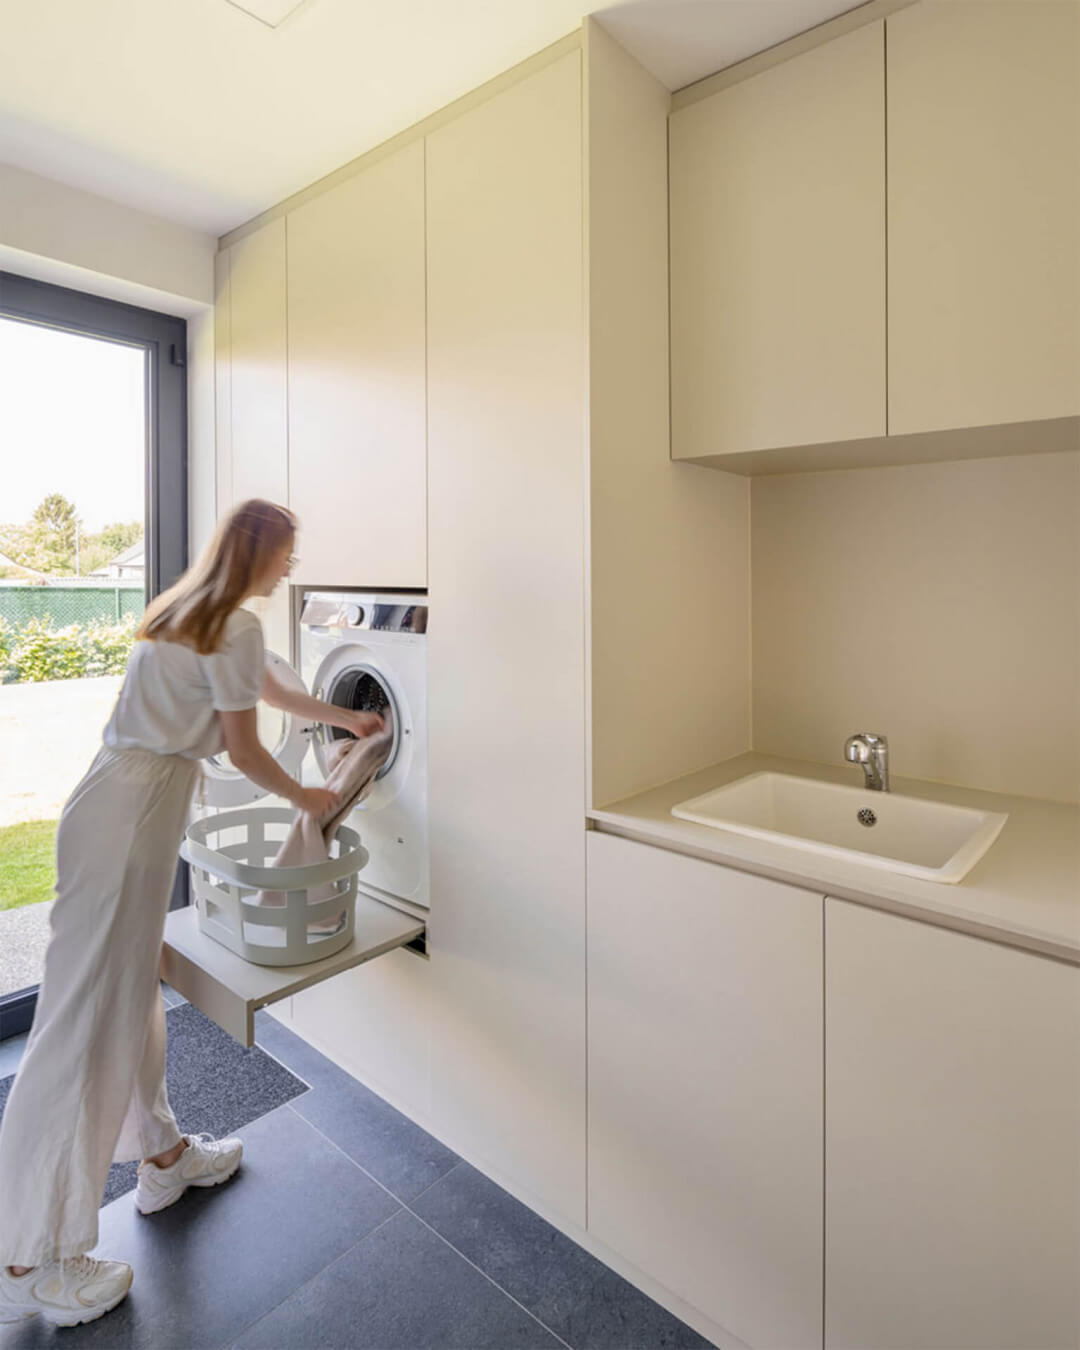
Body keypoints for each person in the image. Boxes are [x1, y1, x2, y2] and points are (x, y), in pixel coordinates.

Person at [0, 499, 382, 1329]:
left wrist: (348, 718)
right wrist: (310, 796)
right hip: (132, 819)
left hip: (111, 803)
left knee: (128, 998)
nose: (291, 564)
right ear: (258, 551)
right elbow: (244, 749)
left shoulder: (191, 612)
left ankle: (163, 1155)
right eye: (286, 550)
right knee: (80, 1024)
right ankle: (28, 1255)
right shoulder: (231, 627)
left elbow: (271, 686)